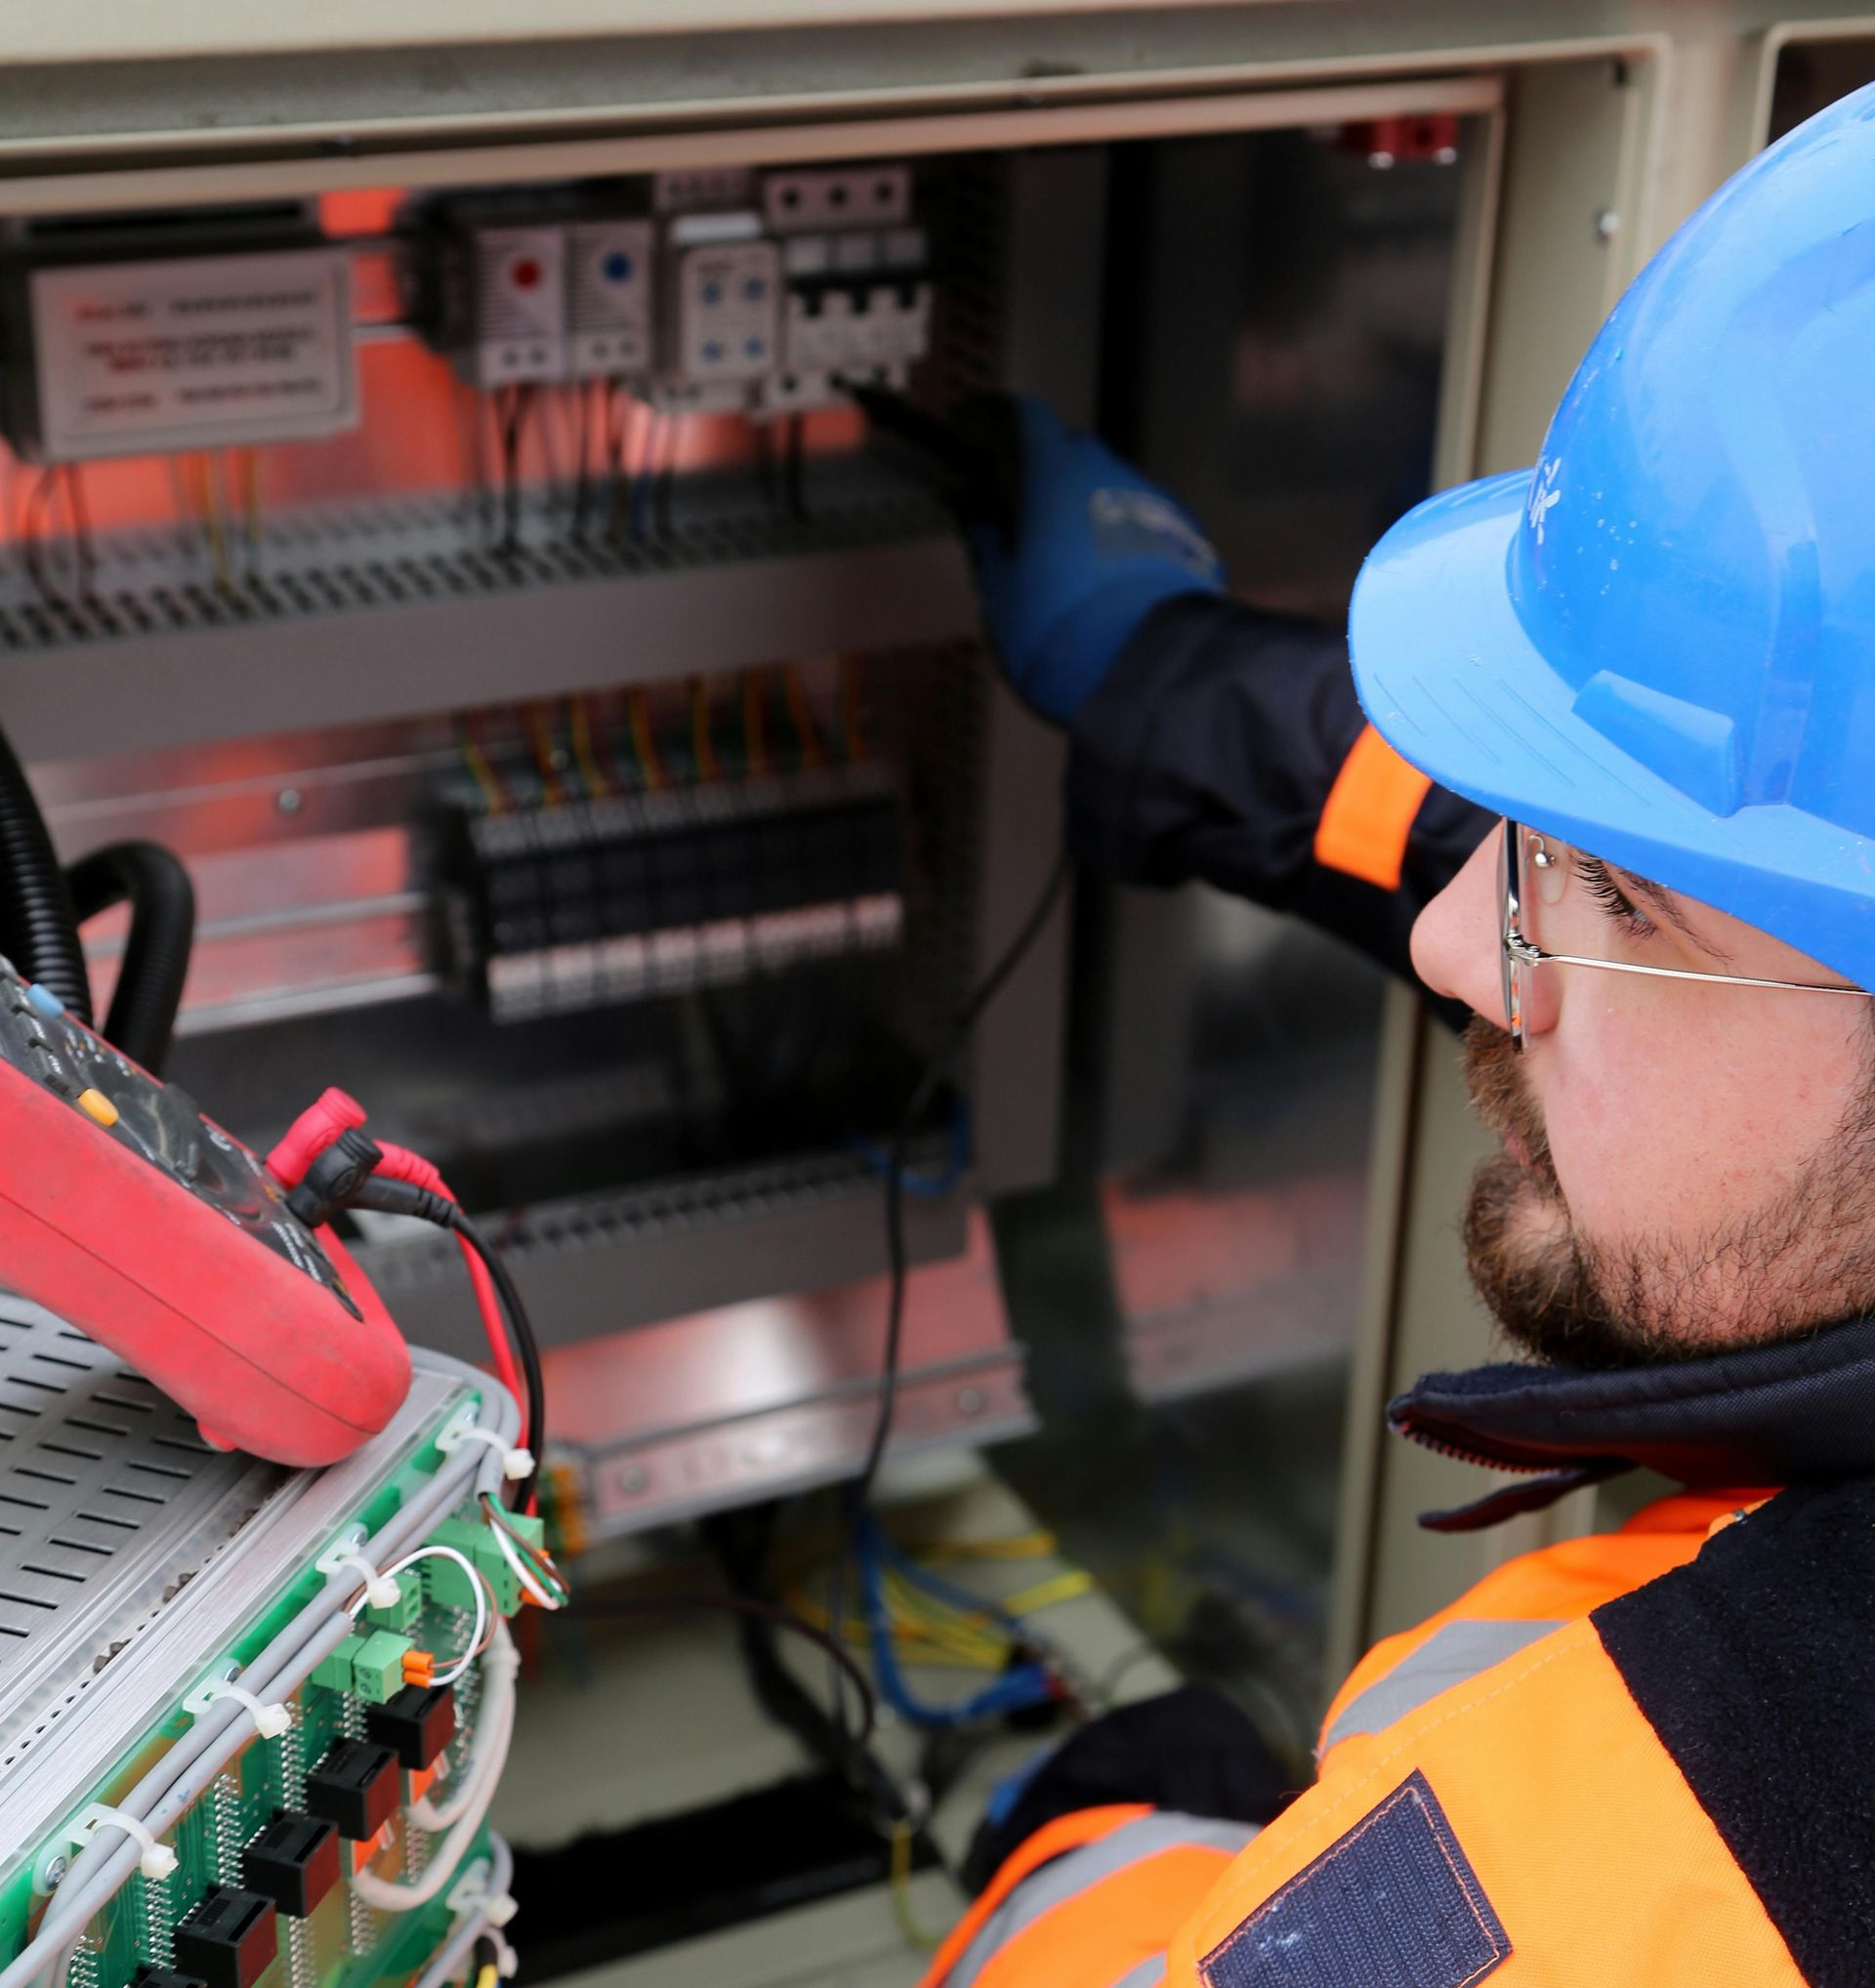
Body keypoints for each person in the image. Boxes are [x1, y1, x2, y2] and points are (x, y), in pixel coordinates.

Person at [924, 81, 1875, 1988]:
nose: (1457, 940)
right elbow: (1618, 844)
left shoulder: (1673, 1854)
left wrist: (1092, 1855)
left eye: (1607, 898)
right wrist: (1169, 685)